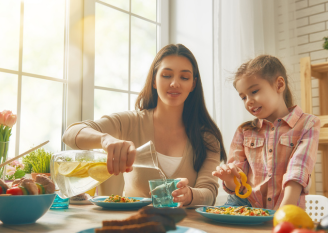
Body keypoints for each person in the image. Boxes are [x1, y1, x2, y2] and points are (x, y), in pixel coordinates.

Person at [62, 44, 226, 207]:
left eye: (184, 77)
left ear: (193, 84)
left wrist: (190, 195)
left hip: (186, 230)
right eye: (167, 75)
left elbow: (209, 193)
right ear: (154, 80)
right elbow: (70, 134)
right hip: (135, 227)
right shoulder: (131, 122)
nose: (175, 83)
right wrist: (105, 139)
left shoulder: (207, 137)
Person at [212, 55, 320, 210]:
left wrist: (284, 211)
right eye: (243, 97)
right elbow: (237, 186)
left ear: (279, 84)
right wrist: (230, 178)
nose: (248, 101)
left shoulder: (308, 124)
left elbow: (298, 168)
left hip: (285, 208)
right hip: (245, 206)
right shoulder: (244, 131)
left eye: (254, 91)